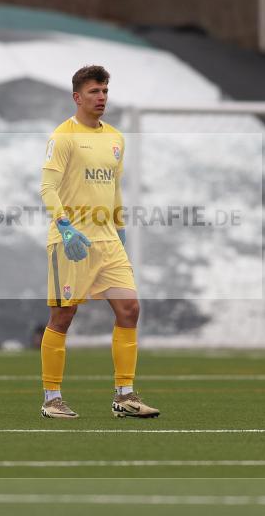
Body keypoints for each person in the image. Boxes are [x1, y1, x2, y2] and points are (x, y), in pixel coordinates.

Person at [38, 65, 160, 419]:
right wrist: (64, 227)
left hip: (108, 240)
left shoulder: (116, 139)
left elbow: (114, 189)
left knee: (130, 309)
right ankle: (51, 399)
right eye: (94, 91)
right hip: (71, 239)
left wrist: (120, 229)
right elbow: (47, 187)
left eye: (105, 90)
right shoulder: (62, 137)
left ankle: (125, 395)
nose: (102, 97)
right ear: (77, 97)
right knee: (63, 315)